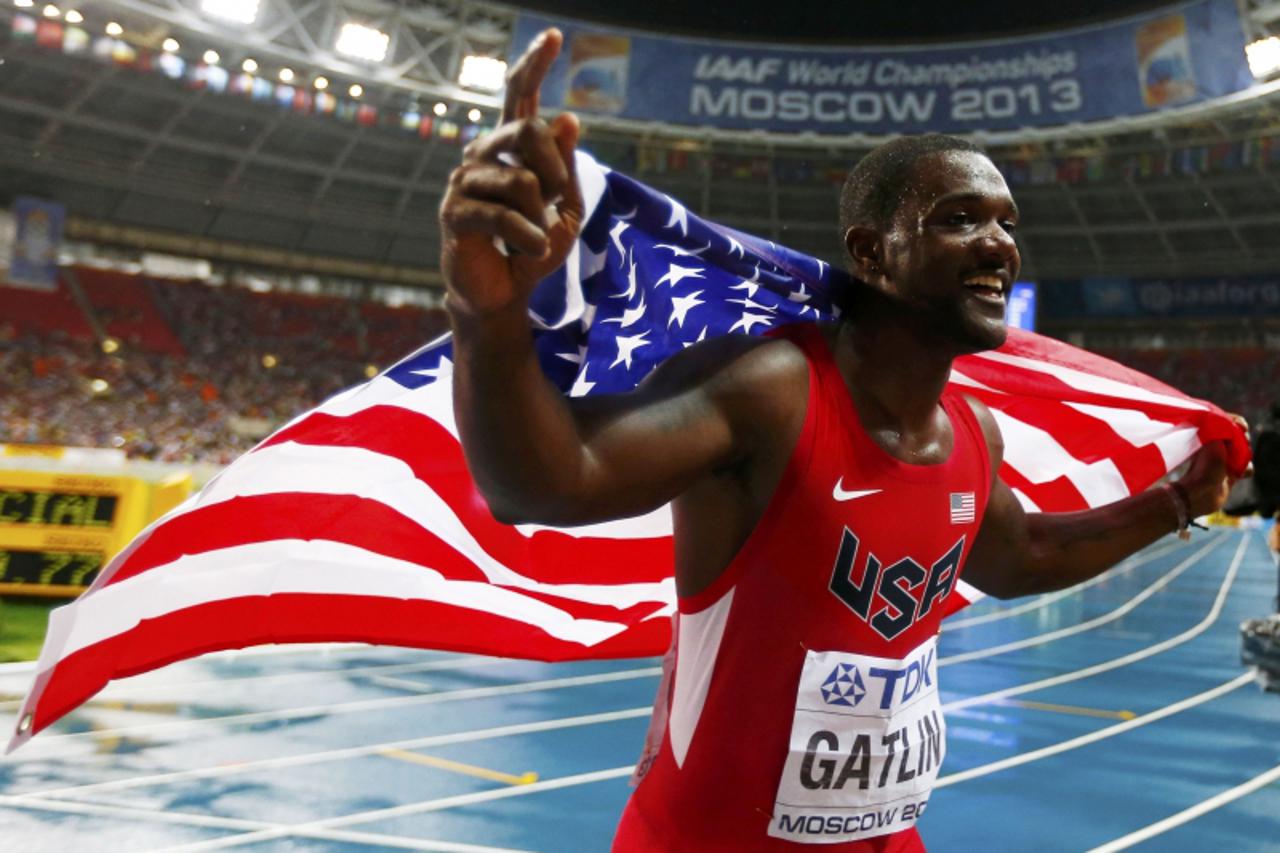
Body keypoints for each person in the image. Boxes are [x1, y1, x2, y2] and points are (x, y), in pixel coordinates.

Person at [439, 30, 1235, 852]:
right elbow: (550, 479)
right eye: (960, 219)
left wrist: (1176, 502)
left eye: (1006, 222)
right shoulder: (776, 391)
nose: (1000, 244)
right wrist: (488, 313)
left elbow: (1020, 553)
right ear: (870, 253)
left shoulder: (972, 432)